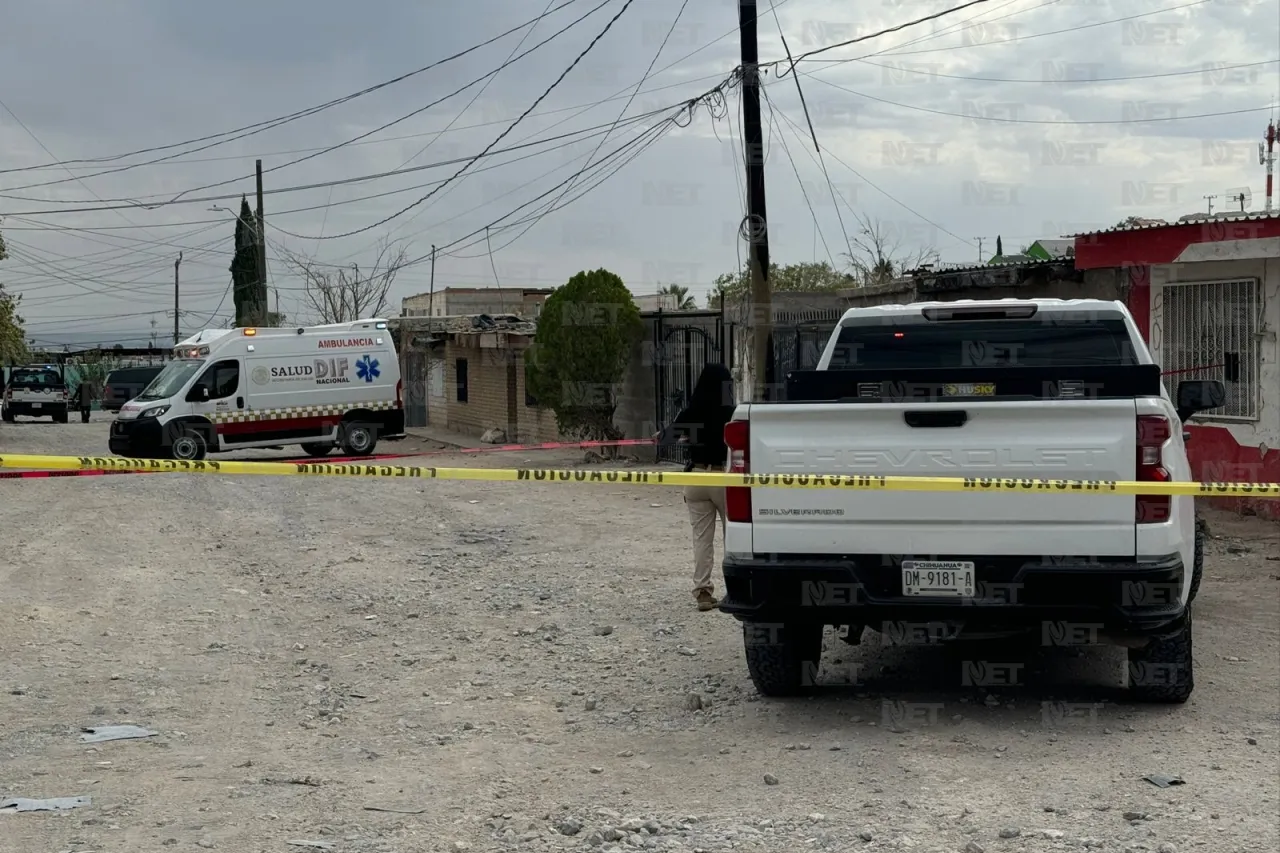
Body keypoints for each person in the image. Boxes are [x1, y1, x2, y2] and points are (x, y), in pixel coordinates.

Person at [665, 363, 736, 611]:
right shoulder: (732, 413)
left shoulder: (690, 412)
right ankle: (735, 592)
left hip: (695, 477)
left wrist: (687, 437)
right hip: (725, 479)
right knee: (734, 537)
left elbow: (667, 438)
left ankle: (703, 592)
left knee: (702, 540)